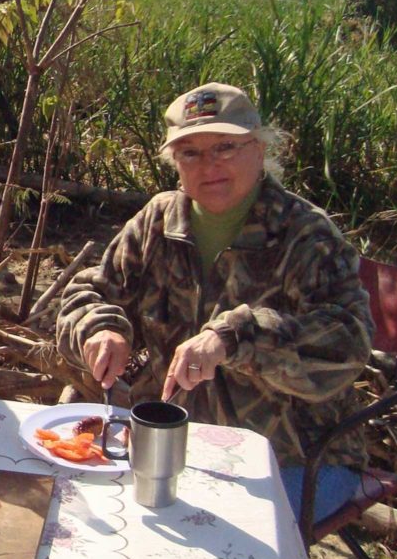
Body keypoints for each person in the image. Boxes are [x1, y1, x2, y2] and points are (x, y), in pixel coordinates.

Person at [57, 83, 372, 522]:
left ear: (260, 149)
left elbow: (349, 342)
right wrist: (99, 328)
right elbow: (87, 292)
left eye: (225, 147)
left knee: (219, 539)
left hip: (297, 457)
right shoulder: (159, 221)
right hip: (170, 443)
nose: (209, 165)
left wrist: (236, 337)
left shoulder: (305, 236)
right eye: (190, 153)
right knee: (87, 515)